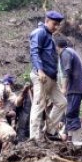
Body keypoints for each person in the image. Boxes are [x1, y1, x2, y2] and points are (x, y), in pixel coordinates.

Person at [29, 10, 68, 140]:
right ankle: (34, 139)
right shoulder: (39, 32)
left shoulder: (49, 36)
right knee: (38, 105)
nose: (56, 27)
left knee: (62, 102)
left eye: (58, 25)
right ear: (46, 21)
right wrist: (40, 71)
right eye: (54, 24)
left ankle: (50, 132)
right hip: (42, 75)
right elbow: (34, 52)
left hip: (51, 78)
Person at [57, 38, 82, 141]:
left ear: (57, 47)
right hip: (77, 88)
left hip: (73, 88)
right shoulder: (71, 52)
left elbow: (66, 71)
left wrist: (64, 88)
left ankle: (77, 139)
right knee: (70, 113)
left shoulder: (65, 53)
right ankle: (70, 139)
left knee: (71, 113)